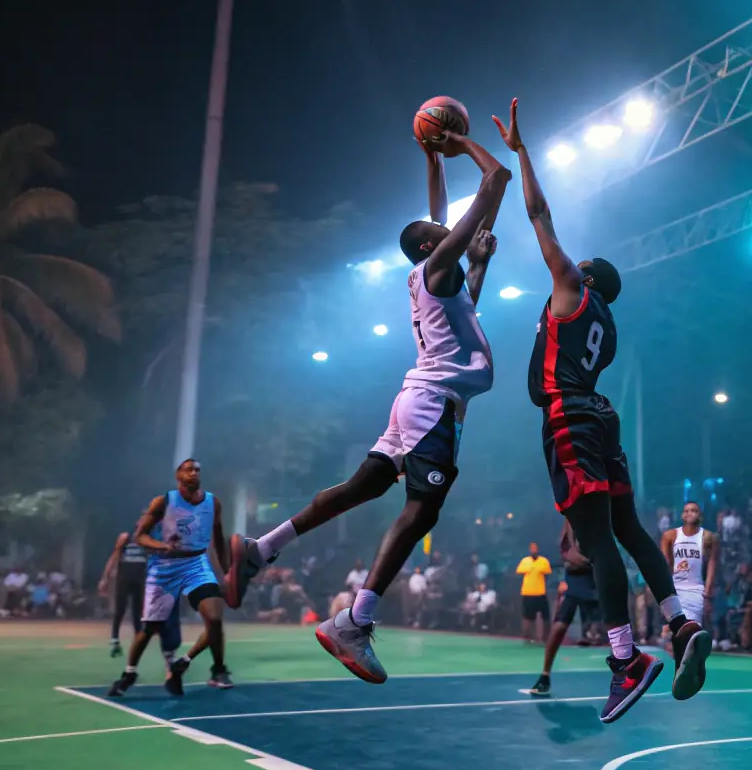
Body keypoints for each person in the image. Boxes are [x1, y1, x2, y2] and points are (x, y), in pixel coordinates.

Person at [223, 128, 509, 682]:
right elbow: (497, 180)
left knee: (363, 488)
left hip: (418, 399)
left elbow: (446, 232)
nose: (446, 227)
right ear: (431, 246)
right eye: (440, 231)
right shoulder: (435, 266)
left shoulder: (439, 274)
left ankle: (259, 549)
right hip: (433, 403)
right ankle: (355, 619)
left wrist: (432, 161)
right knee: (422, 510)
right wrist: (460, 141)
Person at [492, 98, 709, 723]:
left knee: (596, 540)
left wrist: (522, 152)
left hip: (569, 418)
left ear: (585, 275)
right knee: (632, 531)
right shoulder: (607, 330)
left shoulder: (570, 288)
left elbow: (537, 212)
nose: (569, 258)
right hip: (599, 417)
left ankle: (625, 660)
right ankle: (680, 626)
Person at [108, 460, 232, 696]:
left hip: (196, 563)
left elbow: (218, 539)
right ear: (178, 476)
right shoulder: (164, 501)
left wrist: (226, 572)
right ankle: (129, 673)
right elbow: (140, 536)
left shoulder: (212, 502)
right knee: (150, 627)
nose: (194, 472)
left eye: (198, 469)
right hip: (165, 567)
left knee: (215, 618)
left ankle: (200, 665)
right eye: (189, 469)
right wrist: (162, 545)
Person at [529, 522, 601, 696]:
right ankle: (545, 675)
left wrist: (592, 562)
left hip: (597, 579)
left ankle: (627, 672)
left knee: (608, 627)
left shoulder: (600, 513)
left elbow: (603, 552)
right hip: (576, 581)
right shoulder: (570, 518)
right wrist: (583, 561)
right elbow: (566, 553)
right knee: (559, 626)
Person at [661, 501, 719, 632]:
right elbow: (666, 564)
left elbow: (712, 564)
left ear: (700, 515)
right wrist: (664, 589)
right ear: (682, 515)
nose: (689, 513)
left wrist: (708, 592)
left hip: (696, 589)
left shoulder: (708, 537)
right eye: (686, 511)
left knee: (692, 631)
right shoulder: (670, 535)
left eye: (693, 511)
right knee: (670, 630)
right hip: (674, 589)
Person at [98, 530, 149, 657]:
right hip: (124, 580)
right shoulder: (126, 539)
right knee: (120, 609)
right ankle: (115, 640)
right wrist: (105, 578)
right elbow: (114, 558)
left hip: (140, 580)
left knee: (138, 612)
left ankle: (138, 641)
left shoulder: (147, 541)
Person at [516, 543, 553, 643]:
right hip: (528, 592)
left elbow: (548, 571)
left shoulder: (543, 561)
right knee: (528, 616)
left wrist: (537, 569)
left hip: (540, 592)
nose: (534, 550)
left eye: (535, 548)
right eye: (532, 548)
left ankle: (545, 637)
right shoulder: (525, 561)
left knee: (545, 616)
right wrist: (531, 568)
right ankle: (529, 637)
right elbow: (519, 570)